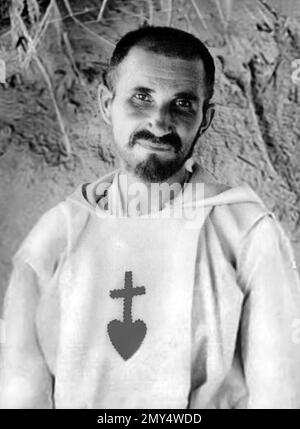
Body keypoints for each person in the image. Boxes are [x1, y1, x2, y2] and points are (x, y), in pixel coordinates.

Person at [1, 26, 300, 409]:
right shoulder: (54, 239)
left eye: (182, 104)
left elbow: (281, 391)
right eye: (142, 97)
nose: (159, 122)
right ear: (106, 103)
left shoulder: (246, 233)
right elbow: (20, 391)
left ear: (204, 120)